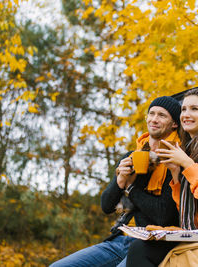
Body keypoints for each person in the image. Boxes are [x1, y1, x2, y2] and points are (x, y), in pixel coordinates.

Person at [50, 96, 181, 267]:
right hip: (120, 240)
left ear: (174, 124)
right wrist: (120, 181)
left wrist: (130, 188)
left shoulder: (174, 159)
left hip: (150, 245)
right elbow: (106, 206)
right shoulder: (131, 157)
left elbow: (163, 215)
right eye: (152, 113)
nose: (154, 119)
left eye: (162, 115)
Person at [126, 88, 198, 266]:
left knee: (140, 251)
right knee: (140, 248)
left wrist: (187, 165)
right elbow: (185, 207)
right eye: (184, 109)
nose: (186, 114)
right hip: (193, 231)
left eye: (194, 109)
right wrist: (175, 172)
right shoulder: (189, 148)